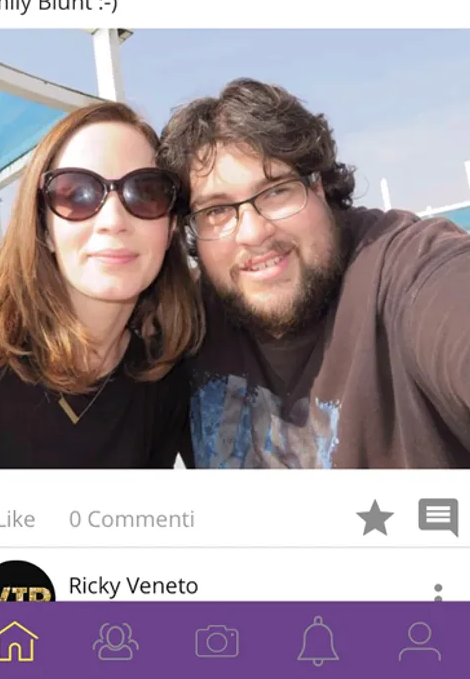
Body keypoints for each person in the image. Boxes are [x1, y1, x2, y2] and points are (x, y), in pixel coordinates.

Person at [158, 78, 470, 469]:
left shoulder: (404, 268)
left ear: (318, 186)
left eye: (276, 191)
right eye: (216, 211)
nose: (253, 233)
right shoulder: (181, 325)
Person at [0, 101, 203, 468]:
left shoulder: (163, 382)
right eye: (76, 194)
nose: (113, 221)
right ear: (43, 226)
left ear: (171, 226)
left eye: (146, 192)